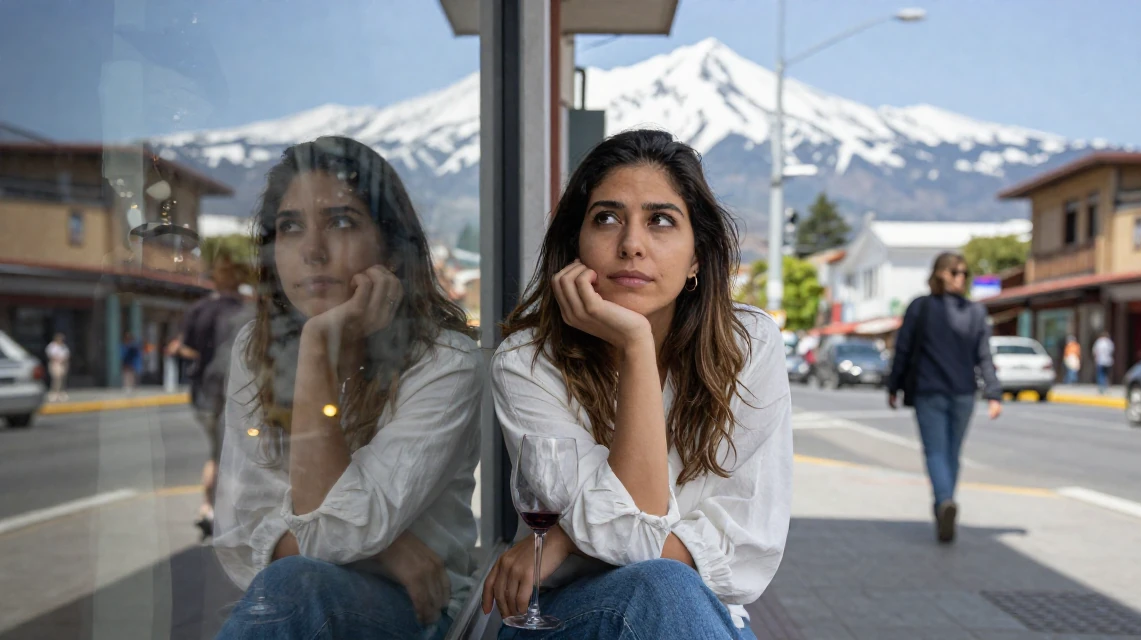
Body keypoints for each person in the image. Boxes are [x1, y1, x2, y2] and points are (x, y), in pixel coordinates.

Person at [486, 129, 792, 639]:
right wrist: (635, 346)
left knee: (667, 589)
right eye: (606, 218)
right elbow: (634, 528)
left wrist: (566, 539)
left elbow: (746, 552)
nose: (631, 245)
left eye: (661, 221)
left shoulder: (750, 344)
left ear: (697, 255)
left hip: (700, 618)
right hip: (566, 619)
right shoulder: (528, 361)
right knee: (662, 584)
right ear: (574, 245)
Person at [213, 136, 481, 640]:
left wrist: (316, 348)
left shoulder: (446, 362)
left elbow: (331, 535)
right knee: (297, 584)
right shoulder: (257, 346)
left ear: (393, 251)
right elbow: (240, 533)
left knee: (297, 583)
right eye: (291, 228)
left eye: (341, 221)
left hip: (417, 617)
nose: (313, 251)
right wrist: (387, 547)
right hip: (298, 609)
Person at [886, 252, 1003, 544]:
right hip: (956, 392)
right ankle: (945, 503)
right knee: (950, 453)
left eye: (965, 272)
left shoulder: (924, 307)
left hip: (938, 393)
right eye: (955, 272)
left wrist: (894, 386)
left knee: (939, 452)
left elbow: (984, 355)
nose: (961, 277)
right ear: (940, 274)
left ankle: (944, 502)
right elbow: (904, 350)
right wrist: (993, 393)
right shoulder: (969, 311)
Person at [177, 248, 251, 539]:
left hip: (203, 396)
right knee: (231, 456)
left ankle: (208, 508)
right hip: (234, 395)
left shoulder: (199, 309)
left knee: (216, 454)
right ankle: (224, 511)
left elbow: (185, 347)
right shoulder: (246, 313)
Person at [45, 333, 70, 402]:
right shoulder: (52, 346)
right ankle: (54, 393)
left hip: (63, 364)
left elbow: (67, 355)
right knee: (56, 379)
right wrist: (57, 359)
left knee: (62, 379)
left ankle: (61, 393)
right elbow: (50, 355)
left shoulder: (63, 346)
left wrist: (63, 360)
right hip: (55, 364)